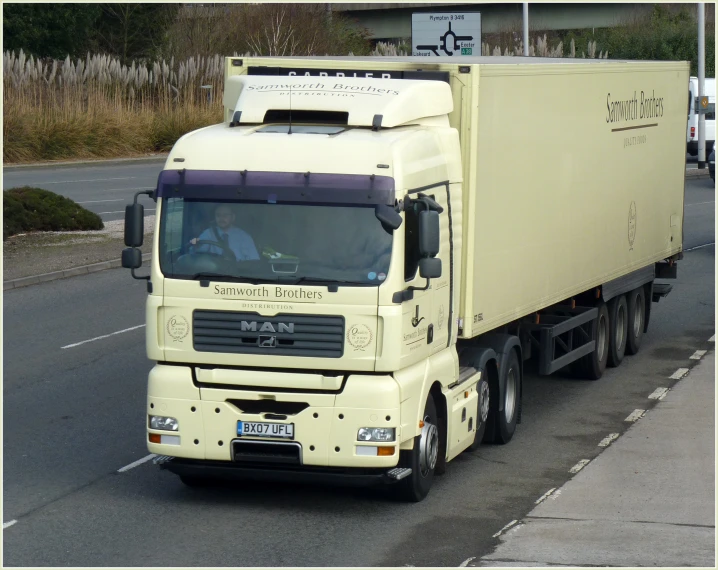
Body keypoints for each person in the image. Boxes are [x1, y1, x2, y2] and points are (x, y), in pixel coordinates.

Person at [191, 204, 260, 261]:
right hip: (213, 273)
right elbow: (197, 254)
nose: (221, 218)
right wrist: (196, 245)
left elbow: (253, 262)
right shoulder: (208, 233)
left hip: (237, 274)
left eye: (225, 215)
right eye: (218, 215)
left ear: (233, 217)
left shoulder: (244, 237)